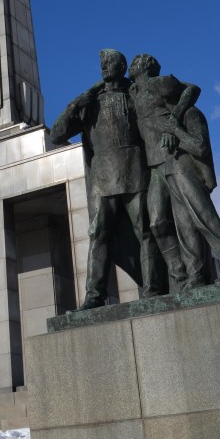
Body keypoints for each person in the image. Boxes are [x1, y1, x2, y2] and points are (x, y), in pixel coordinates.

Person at [50, 49, 162, 307]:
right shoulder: (91, 102)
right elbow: (56, 135)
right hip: (103, 178)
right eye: (101, 63)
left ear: (122, 65)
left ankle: (154, 289)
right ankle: (94, 295)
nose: (103, 66)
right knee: (98, 234)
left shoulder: (134, 95)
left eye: (109, 62)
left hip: (136, 171)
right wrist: (77, 103)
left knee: (146, 230)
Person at [129, 54, 220, 288]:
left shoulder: (160, 84)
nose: (130, 67)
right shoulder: (134, 92)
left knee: (201, 216)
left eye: (135, 63)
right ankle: (193, 276)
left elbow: (192, 89)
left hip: (177, 159)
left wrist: (175, 122)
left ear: (146, 66)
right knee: (167, 222)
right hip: (156, 165)